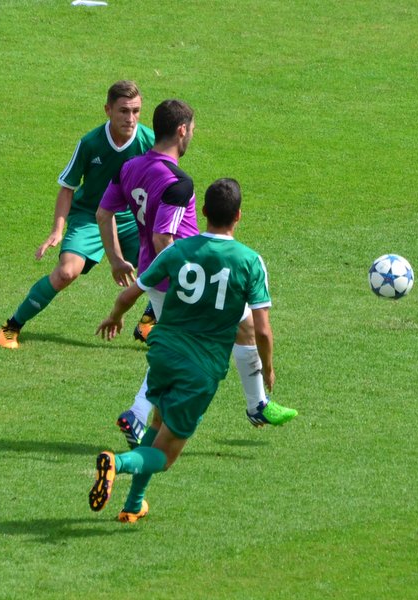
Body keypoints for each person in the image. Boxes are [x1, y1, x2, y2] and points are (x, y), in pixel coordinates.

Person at [90, 178, 294, 522]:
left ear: (202, 212)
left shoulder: (176, 251)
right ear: (239, 216)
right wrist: (269, 368)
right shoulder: (250, 261)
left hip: (163, 353)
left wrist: (115, 318)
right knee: (166, 455)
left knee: (157, 423)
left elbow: (130, 294)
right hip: (200, 369)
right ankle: (117, 463)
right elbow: (261, 330)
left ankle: (133, 504)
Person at [96, 100, 296, 449]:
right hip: (183, 278)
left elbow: (103, 212)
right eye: (192, 130)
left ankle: (257, 405)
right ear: (182, 130)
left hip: (156, 273)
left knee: (239, 326)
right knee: (185, 348)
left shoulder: (128, 168)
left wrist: (115, 259)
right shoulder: (178, 182)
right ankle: (138, 414)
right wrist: (185, 284)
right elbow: (163, 237)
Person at [0, 81, 156, 349]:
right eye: (124, 111)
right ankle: (11, 327)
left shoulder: (149, 142)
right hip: (90, 217)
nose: (131, 118)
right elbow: (67, 189)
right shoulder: (90, 143)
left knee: (164, 266)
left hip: (129, 219)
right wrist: (57, 231)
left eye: (136, 111)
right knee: (66, 272)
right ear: (108, 110)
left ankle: (148, 324)